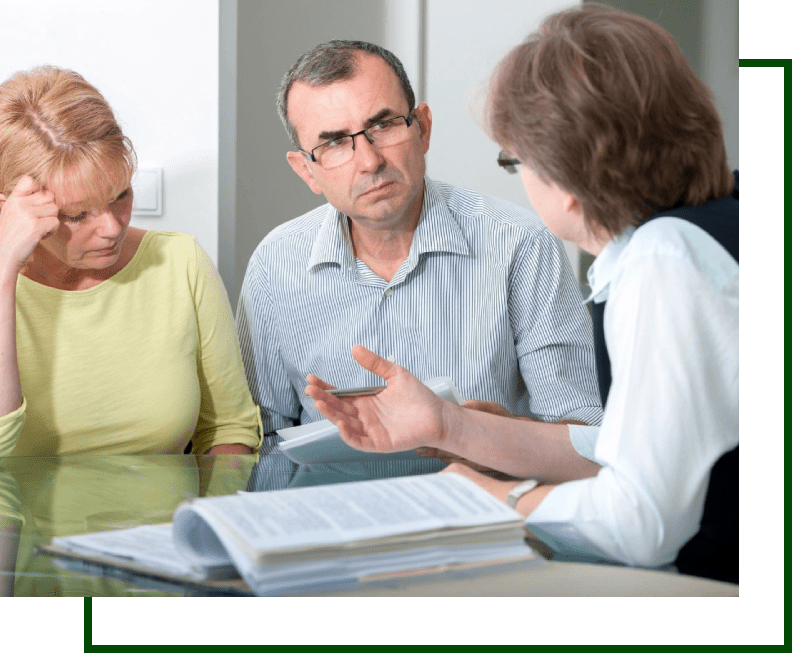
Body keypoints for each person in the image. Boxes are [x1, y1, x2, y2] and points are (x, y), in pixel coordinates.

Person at [306, 6, 738, 583]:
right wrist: (446, 426)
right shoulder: (708, 228)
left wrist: (492, 498)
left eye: (516, 160)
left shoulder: (663, 263)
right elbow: (629, 446)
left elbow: (642, 522)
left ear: (571, 165)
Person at [236, 40, 602, 455]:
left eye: (384, 125)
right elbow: (257, 439)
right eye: (335, 143)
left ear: (423, 128)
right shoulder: (274, 265)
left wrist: (486, 432)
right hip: (333, 509)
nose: (369, 161)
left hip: (482, 507)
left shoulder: (520, 244)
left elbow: (585, 431)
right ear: (307, 170)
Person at [0, 66, 261, 457]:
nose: (111, 227)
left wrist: (205, 517)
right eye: (76, 215)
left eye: (120, 194)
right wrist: (4, 273)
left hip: (165, 519)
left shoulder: (180, 262)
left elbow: (228, 428)